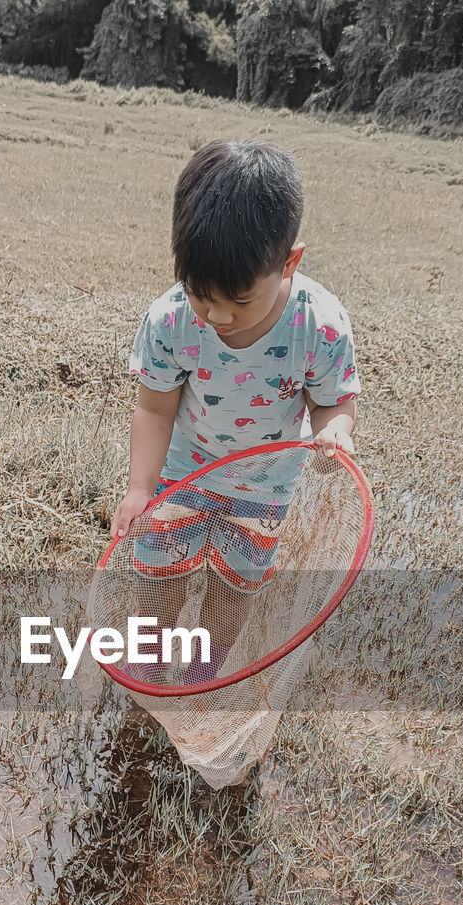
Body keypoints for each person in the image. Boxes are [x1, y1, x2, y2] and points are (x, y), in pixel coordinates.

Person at [110, 138, 361, 686]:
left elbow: (333, 399)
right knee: (160, 577)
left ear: (289, 261)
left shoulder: (319, 324)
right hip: (183, 474)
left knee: (234, 586)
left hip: (265, 488)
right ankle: (148, 663)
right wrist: (140, 486)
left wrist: (335, 433)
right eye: (202, 294)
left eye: (239, 300)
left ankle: (206, 670)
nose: (217, 314)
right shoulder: (171, 320)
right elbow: (154, 410)